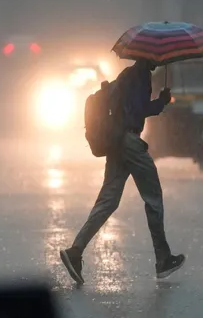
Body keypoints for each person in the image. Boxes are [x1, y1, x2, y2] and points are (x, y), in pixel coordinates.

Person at [60, 59, 185, 284]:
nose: (159, 60)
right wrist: (161, 102)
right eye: (157, 56)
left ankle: (75, 252)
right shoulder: (139, 76)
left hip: (117, 142)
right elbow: (138, 110)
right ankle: (163, 259)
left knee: (108, 201)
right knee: (153, 196)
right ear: (149, 57)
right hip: (129, 142)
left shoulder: (128, 74)